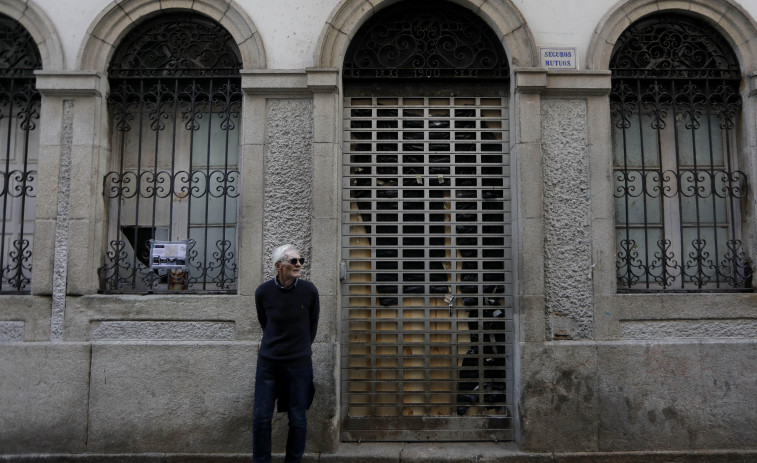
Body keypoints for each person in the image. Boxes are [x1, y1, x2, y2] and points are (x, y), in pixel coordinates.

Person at [253, 244, 320, 463]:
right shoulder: (263, 292)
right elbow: (266, 323)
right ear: (278, 266)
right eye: (293, 261)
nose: (299, 264)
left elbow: (312, 326)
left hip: (299, 365)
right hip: (268, 365)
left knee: (298, 419)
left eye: (300, 260)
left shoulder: (309, 291)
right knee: (261, 418)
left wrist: (299, 350)